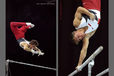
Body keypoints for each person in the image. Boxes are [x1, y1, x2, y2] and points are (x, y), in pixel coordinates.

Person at [72, 0, 101, 71]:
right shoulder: (87, 36)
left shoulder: (77, 24)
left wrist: (89, 14)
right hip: (97, 5)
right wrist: (79, 65)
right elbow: (84, 50)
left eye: (78, 37)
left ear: (75, 32)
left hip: (89, 3)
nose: (81, 37)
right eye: (80, 39)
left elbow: (79, 9)